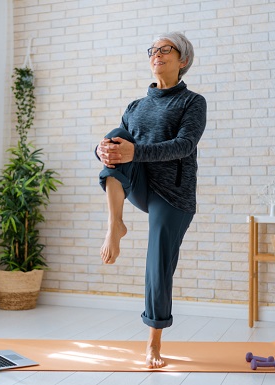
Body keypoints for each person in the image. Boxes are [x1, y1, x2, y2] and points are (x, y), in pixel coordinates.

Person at [95, 32, 207, 369]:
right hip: (141, 184)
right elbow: (119, 145)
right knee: (116, 140)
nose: (157, 54)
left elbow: (185, 145)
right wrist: (102, 149)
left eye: (166, 49)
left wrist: (135, 150)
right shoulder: (135, 106)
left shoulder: (192, 102)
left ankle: (153, 341)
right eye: (153, 50)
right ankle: (115, 223)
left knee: (158, 263)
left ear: (182, 60)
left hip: (173, 195)